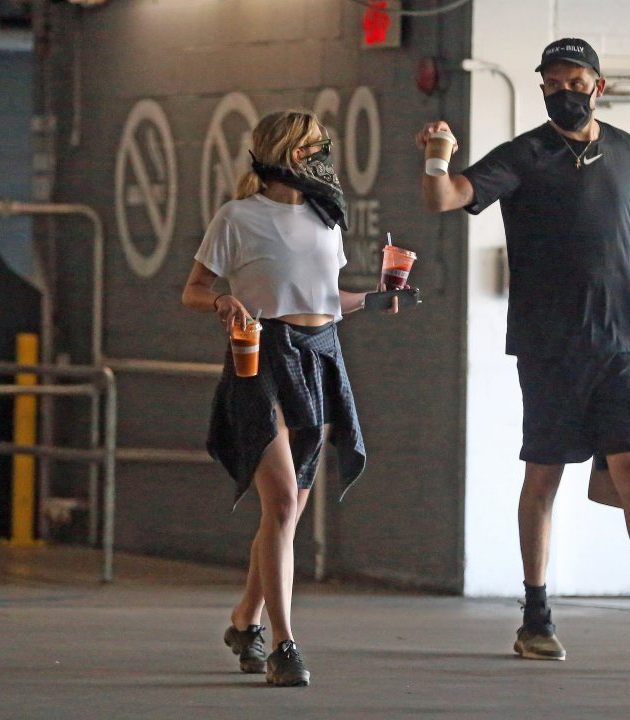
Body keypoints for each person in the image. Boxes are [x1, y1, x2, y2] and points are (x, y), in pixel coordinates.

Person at [415, 38, 630, 663]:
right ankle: (536, 617)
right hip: (552, 348)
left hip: (626, 346)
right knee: (545, 477)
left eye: (575, 82)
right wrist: (437, 157)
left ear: (598, 87)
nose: (564, 92)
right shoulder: (525, 154)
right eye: (552, 83)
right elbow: (444, 198)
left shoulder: (626, 150)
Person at [182, 110, 397, 686]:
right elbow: (194, 290)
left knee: (290, 512)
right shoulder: (238, 218)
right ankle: (284, 645)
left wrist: (374, 297)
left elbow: (327, 298)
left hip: (321, 355)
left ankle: (244, 620)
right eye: (312, 147)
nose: (321, 156)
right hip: (262, 357)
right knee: (280, 506)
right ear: (284, 154)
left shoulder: (328, 218)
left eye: (323, 146)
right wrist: (224, 302)